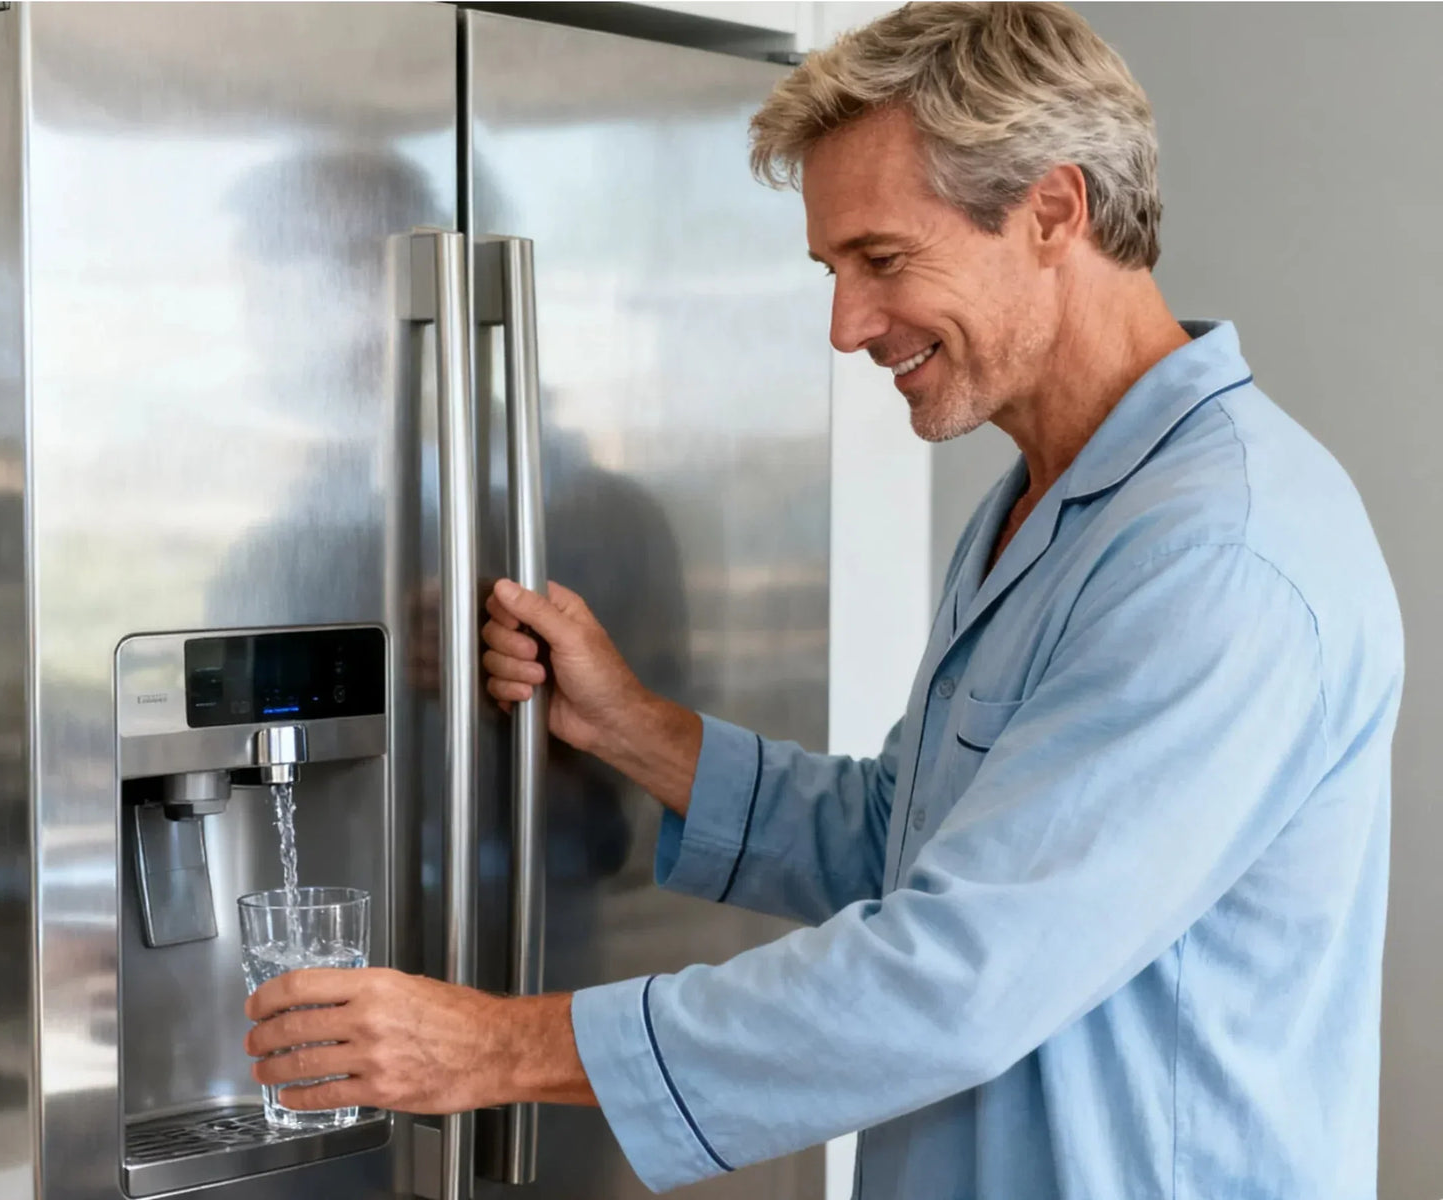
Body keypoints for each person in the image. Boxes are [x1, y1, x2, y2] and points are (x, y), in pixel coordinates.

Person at [241, 4, 1404, 1196]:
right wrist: (632, 726)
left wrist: (493, 1047)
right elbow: (898, 841)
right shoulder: (1048, 503)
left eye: (883, 260)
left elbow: (954, 978)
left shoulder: (1217, 557)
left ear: (1054, 211)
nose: (847, 326)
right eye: (832, 269)